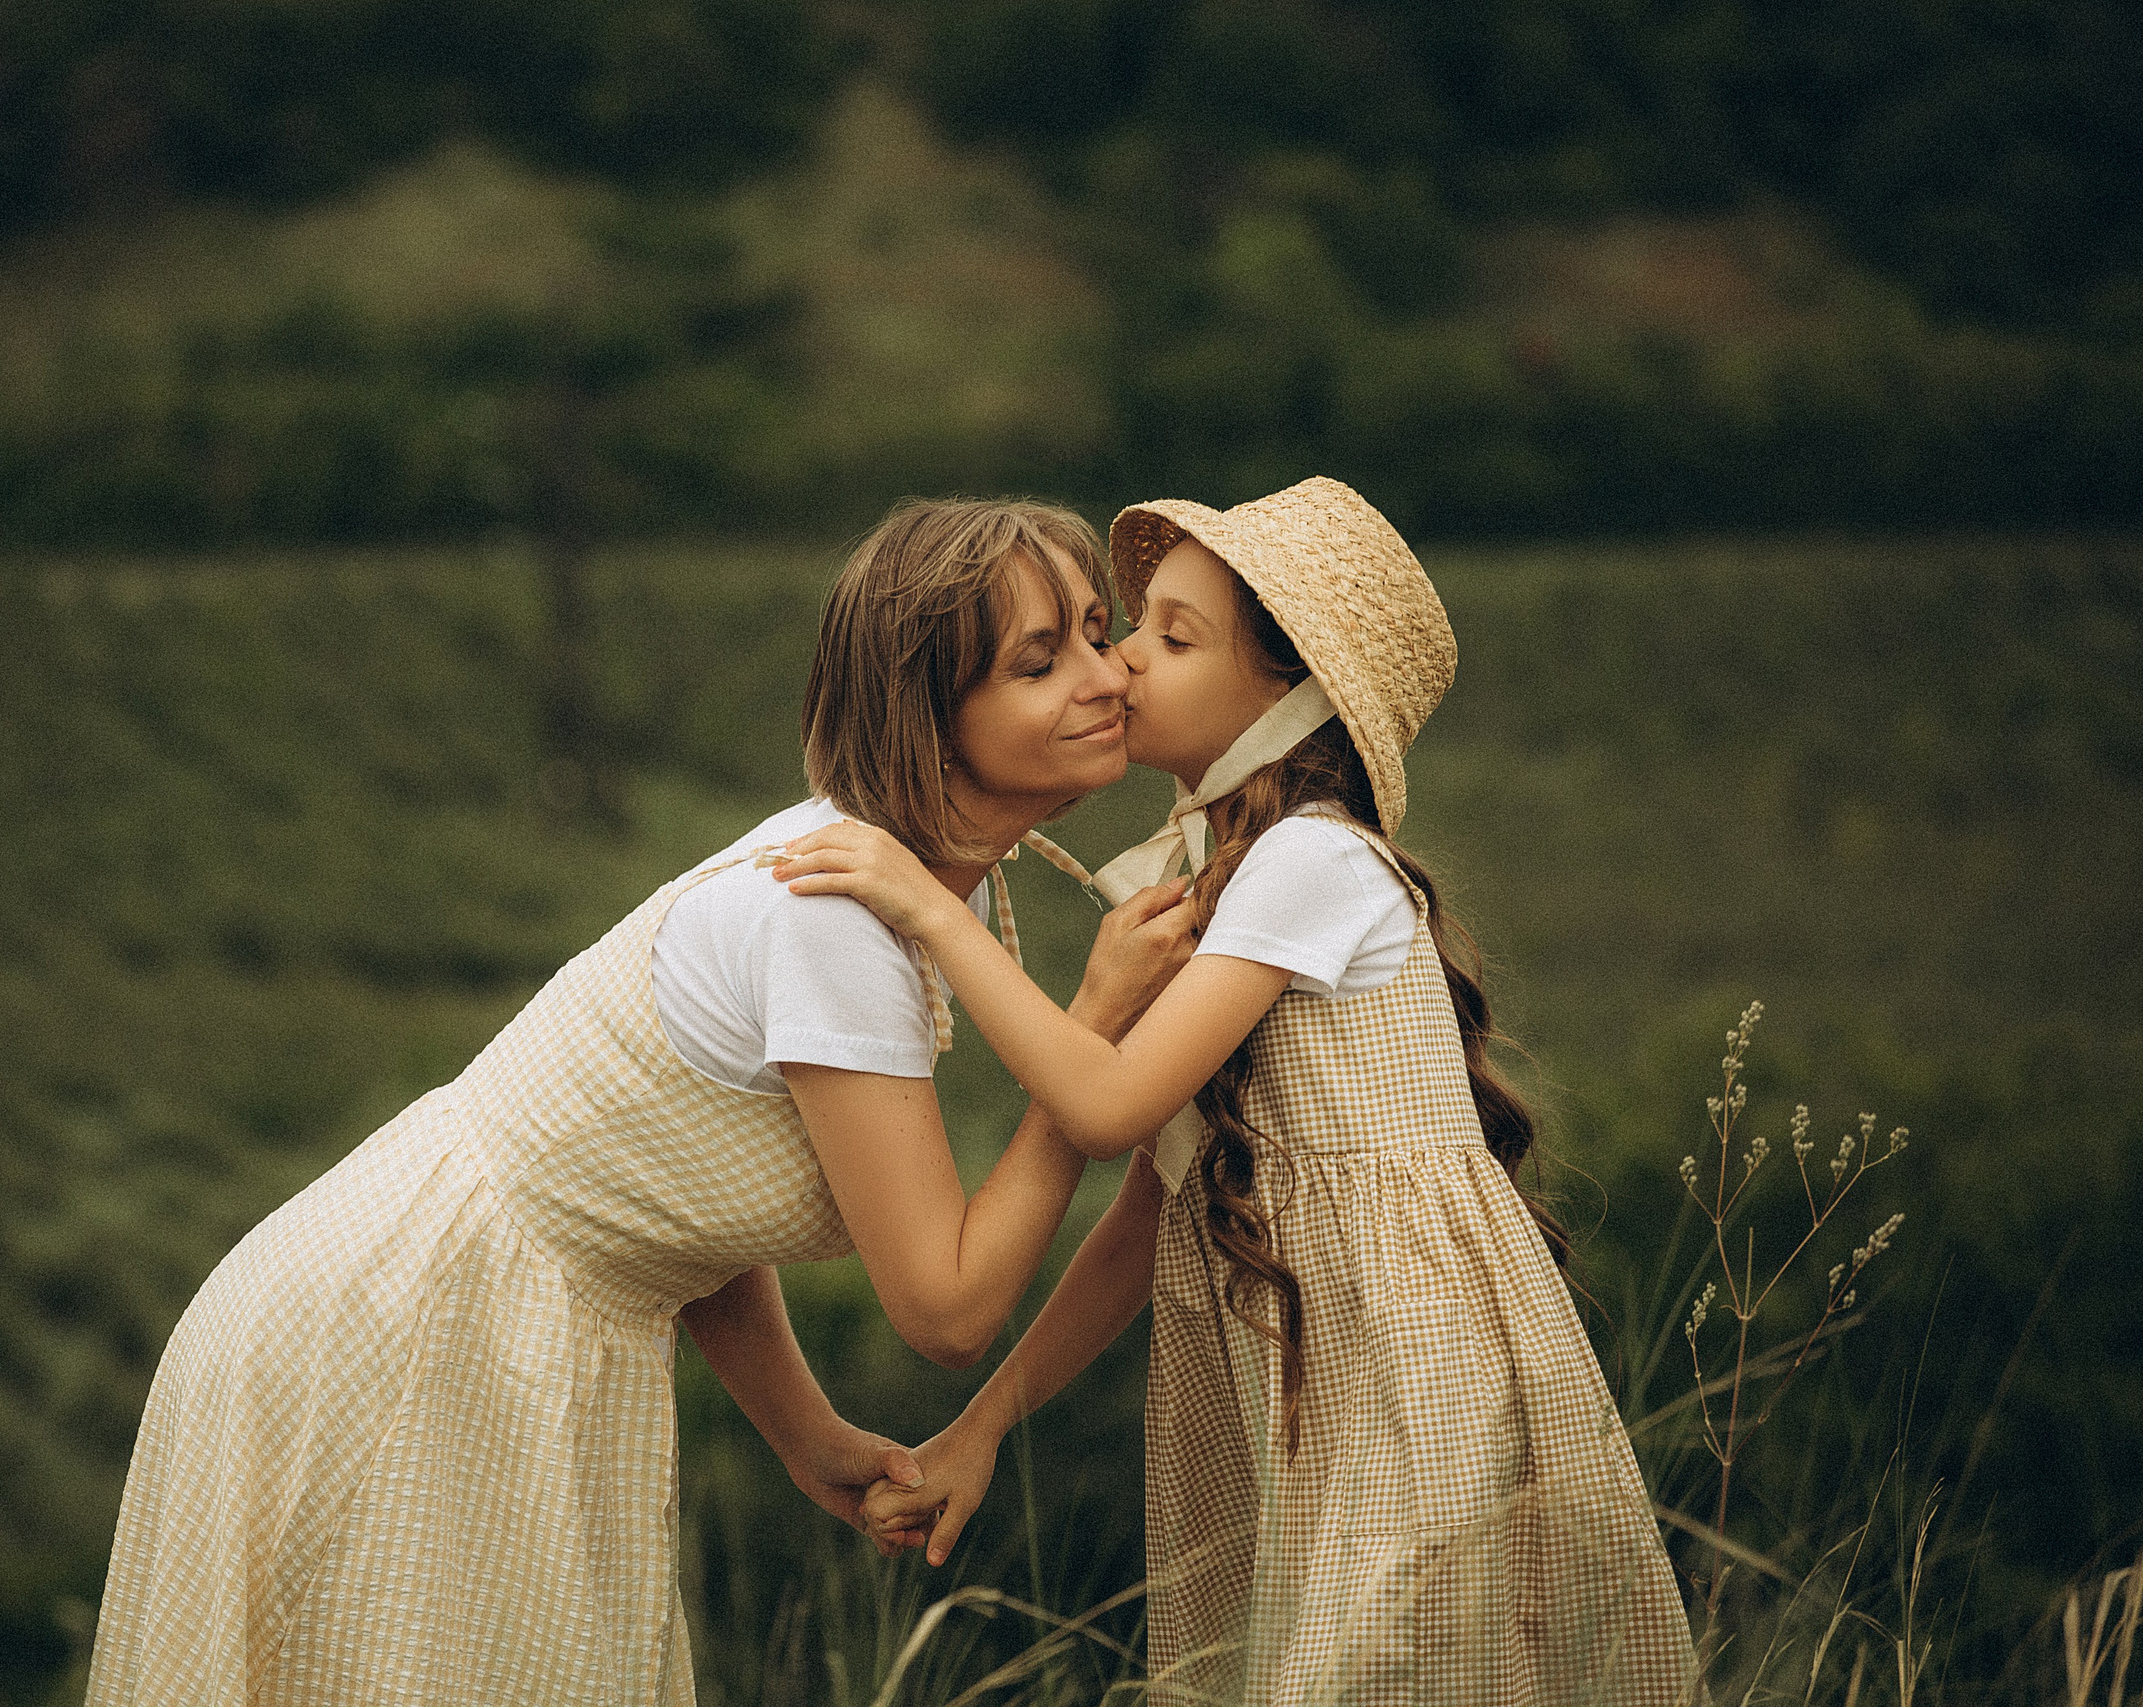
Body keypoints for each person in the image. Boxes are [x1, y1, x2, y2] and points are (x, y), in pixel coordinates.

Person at [82, 499, 1196, 1707]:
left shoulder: (916, 886)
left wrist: (802, 1430)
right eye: (1041, 661)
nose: (1107, 677)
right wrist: (1091, 1032)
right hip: (408, 1329)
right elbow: (946, 1307)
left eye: (1099, 632)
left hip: (506, 1324)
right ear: (928, 720)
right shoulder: (839, 916)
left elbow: (678, 1177)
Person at [777, 479, 1699, 1705]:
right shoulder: (1226, 884)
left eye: (1170, 637)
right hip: (1316, 1368)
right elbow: (1151, 1206)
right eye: (1124, 630)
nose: (1120, 667)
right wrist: (983, 1424)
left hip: (1402, 1363)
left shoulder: (1312, 859)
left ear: (1290, 695)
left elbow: (1101, 1110)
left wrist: (927, 913)